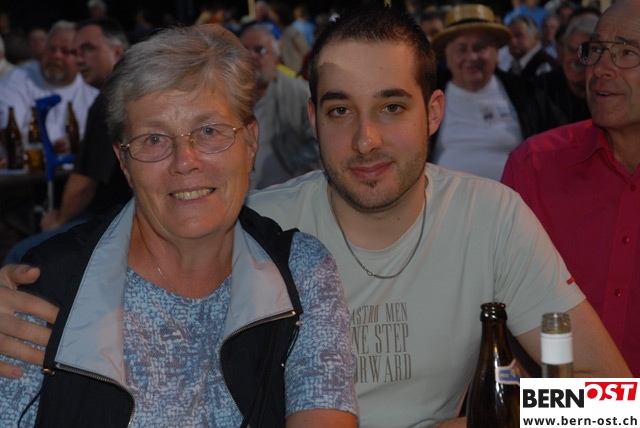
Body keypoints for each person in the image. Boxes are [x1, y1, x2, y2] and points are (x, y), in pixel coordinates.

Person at [0, 6, 631, 428]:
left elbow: (614, 400)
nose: (365, 140)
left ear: (434, 113)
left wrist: (497, 414)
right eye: (339, 110)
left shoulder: (489, 217)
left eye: (391, 108)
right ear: (311, 119)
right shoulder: (253, 228)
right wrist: (18, 283)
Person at [0, 23, 357, 427]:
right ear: (123, 161)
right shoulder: (48, 290)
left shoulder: (301, 273)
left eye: (209, 131)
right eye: (154, 139)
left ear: (250, 142)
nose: (185, 161)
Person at [501, 0, 640, 376]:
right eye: (596, 51)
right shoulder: (534, 166)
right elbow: (498, 318)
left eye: (627, 52)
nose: (599, 68)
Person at [3, 17, 132, 264]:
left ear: (117, 52)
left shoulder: (110, 100)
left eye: (88, 49)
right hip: (126, 217)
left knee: (19, 255)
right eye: (76, 52)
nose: (80, 59)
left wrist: (59, 221)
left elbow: (85, 181)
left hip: (114, 221)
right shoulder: (126, 93)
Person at [429, 4, 566, 181]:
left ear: (496, 52)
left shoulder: (525, 93)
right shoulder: (427, 98)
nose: (471, 57)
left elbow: (559, 140)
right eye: (461, 49)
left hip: (516, 197)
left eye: (480, 48)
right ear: (447, 55)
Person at [238, 23, 320, 189]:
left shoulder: (301, 94)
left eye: (260, 50)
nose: (251, 57)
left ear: (277, 56)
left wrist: (294, 181)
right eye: (244, 51)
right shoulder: (228, 97)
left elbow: (320, 144)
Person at [0, 20, 98, 151]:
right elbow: (7, 131)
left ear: (79, 57)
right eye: (51, 49)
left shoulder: (92, 93)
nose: (56, 56)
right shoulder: (18, 78)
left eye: (65, 51)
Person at [533, 14, 597, 123]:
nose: (576, 59)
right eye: (571, 50)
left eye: (585, 52)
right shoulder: (541, 88)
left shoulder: (610, 95)